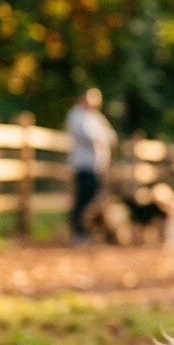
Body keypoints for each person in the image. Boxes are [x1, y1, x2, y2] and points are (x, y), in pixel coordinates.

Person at [65, 87, 117, 243]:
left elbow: (111, 137)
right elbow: (89, 136)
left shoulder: (96, 117)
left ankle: (89, 231)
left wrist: (102, 138)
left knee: (93, 199)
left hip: (97, 166)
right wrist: (101, 138)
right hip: (83, 165)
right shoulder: (77, 115)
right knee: (83, 198)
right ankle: (78, 232)